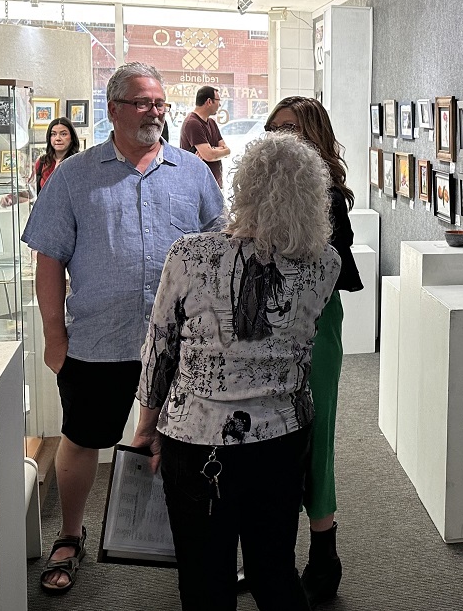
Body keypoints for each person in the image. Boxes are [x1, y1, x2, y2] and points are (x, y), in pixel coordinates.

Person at [21, 62, 224, 595]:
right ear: (113, 109)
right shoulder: (74, 176)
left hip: (183, 346)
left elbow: (221, 248)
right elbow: (49, 260)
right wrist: (55, 339)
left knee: (191, 447)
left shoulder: (192, 172)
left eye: (159, 103)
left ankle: (192, 539)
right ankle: (69, 535)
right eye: (142, 102)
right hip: (98, 341)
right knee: (83, 439)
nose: (154, 112)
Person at [132, 131, 341, 611]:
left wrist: (146, 427)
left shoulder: (189, 254)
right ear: (314, 196)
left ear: (242, 186)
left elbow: (160, 348)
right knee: (275, 570)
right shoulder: (325, 264)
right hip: (282, 439)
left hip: (196, 441)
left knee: (205, 580)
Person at [243, 95, 362, 605]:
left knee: (316, 436)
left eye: (291, 128)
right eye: (275, 128)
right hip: (266, 322)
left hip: (315, 322)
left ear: (314, 134)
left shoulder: (327, 194)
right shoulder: (260, 189)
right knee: (269, 438)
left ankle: (324, 557)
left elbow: (327, 261)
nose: (281, 137)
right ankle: (273, 559)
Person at [1, 116, 79, 207]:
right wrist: (12, 198)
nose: (58, 138)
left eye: (63, 134)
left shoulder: (79, 162)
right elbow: (32, 192)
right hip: (46, 212)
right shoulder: (42, 162)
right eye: (53, 134)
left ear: (72, 137)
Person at [179, 85, 231, 187]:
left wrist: (213, 149)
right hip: (198, 186)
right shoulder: (192, 123)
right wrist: (215, 151)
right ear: (209, 101)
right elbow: (209, 156)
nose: (220, 105)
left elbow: (227, 151)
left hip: (214, 184)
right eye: (218, 101)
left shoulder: (212, 122)